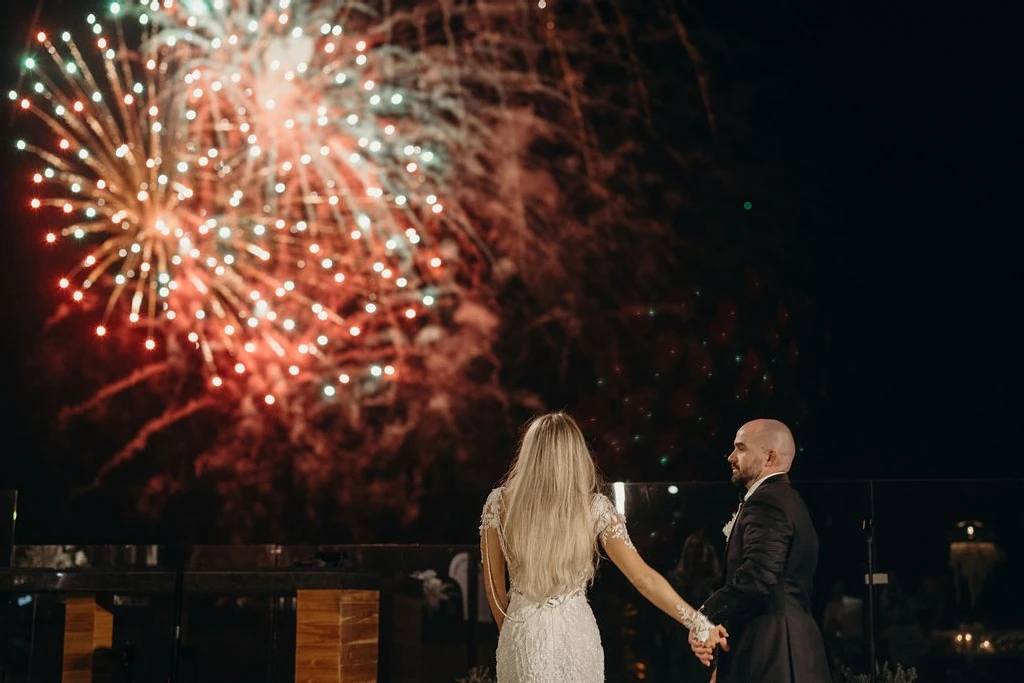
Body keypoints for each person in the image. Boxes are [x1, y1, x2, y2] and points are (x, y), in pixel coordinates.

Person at [480, 412, 727, 682]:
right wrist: (697, 622)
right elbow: (643, 577)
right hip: (575, 632)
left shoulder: (499, 504)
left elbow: (493, 588)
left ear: (529, 455)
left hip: (521, 632)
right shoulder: (594, 508)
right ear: (575, 456)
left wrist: (512, 634)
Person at [689, 418, 830, 682]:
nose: (731, 457)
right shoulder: (784, 499)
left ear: (770, 457)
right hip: (781, 650)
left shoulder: (768, 502)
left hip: (775, 655)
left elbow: (758, 576)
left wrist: (703, 615)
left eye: (740, 448)